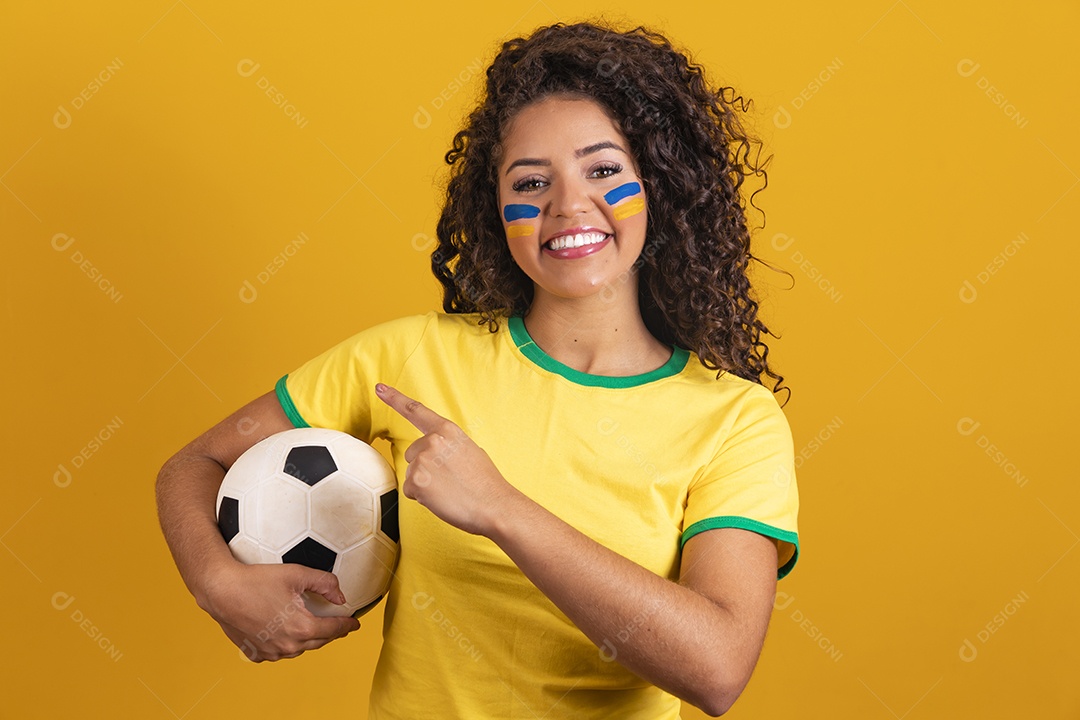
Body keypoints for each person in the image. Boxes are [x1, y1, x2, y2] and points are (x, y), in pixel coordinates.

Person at [156, 20, 800, 719]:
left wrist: (500, 509)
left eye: (604, 170)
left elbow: (717, 667)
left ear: (662, 185)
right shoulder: (405, 359)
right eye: (531, 180)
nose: (567, 205)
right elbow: (193, 465)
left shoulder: (735, 421)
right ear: (496, 207)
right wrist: (216, 582)